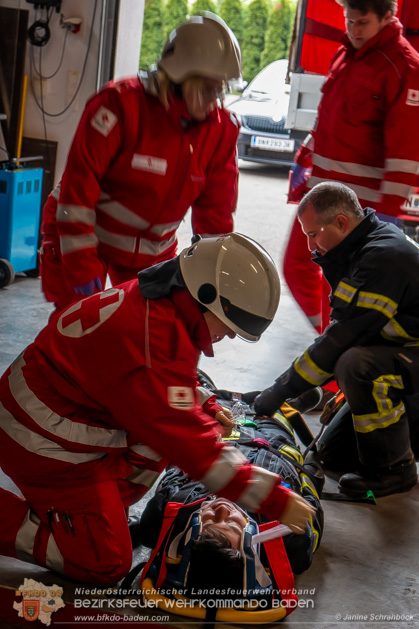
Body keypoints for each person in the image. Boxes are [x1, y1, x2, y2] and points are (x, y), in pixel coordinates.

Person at [0, 233, 315, 586]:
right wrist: (276, 499)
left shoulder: (162, 303)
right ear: (206, 297)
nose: (227, 336)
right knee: (106, 563)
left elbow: (144, 380)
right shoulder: (156, 337)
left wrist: (204, 402)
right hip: (40, 441)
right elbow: (193, 446)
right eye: (229, 324)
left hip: (57, 416)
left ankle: (91, 513)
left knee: (162, 441)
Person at [40, 13, 242, 313]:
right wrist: (81, 259)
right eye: (209, 90)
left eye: (221, 90)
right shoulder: (120, 106)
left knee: (152, 335)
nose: (216, 101)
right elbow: (79, 185)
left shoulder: (220, 129)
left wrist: (211, 273)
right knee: (75, 336)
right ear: (180, 79)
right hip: (81, 236)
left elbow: (215, 213)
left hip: (151, 253)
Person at [255, 182, 419, 498]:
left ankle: (394, 470)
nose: (309, 245)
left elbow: (342, 339)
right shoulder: (365, 246)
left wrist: (282, 389)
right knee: (331, 455)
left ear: (341, 223)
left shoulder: (381, 258)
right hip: (409, 357)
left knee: (355, 364)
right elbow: (349, 330)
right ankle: (391, 444)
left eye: (313, 234)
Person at [283, 0, 419, 334]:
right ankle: (328, 345)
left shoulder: (404, 66)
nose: (354, 31)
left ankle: (333, 361)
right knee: (296, 266)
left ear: (388, 17)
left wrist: (386, 218)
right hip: (324, 196)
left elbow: (407, 152)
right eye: (349, 21)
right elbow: (325, 124)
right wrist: (305, 162)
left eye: (363, 23)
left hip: (360, 209)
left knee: (342, 291)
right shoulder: (344, 55)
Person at [133, 391, 324, 596]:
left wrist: (207, 405)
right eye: (232, 523)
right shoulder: (291, 541)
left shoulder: (163, 519)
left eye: (210, 521)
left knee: (203, 397)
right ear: (252, 540)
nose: (222, 509)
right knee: (268, 410)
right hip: (267, 441)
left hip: (209, 438)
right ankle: (287, 405)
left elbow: (176, 462)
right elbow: (310, 489)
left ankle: (211, 389)